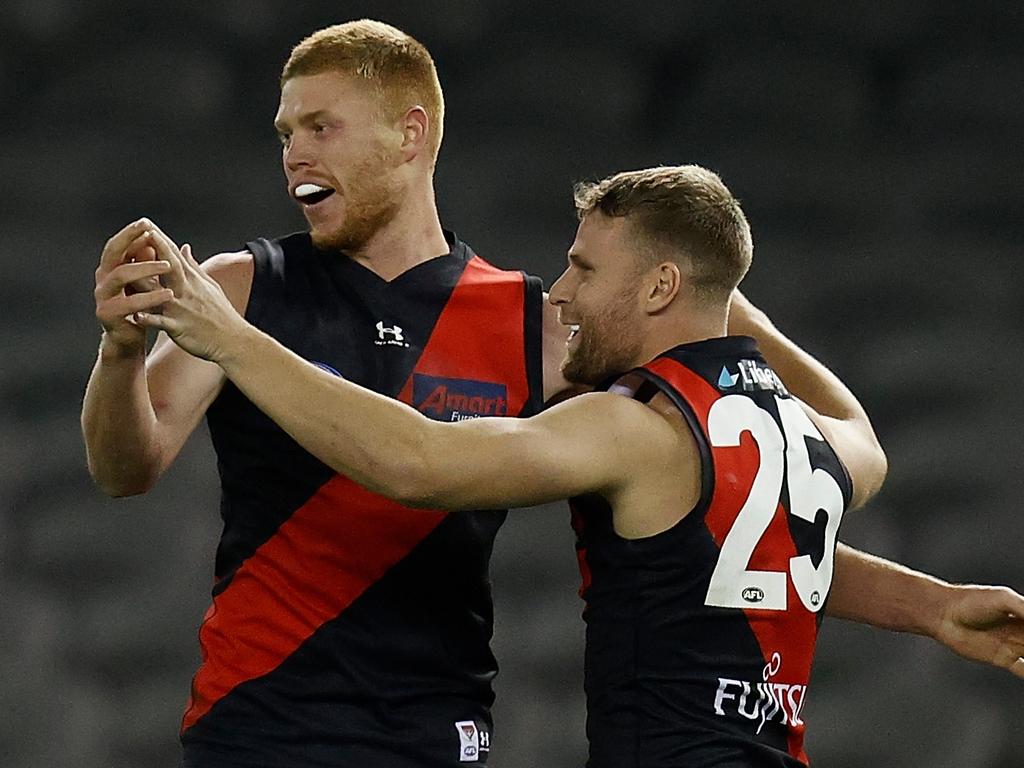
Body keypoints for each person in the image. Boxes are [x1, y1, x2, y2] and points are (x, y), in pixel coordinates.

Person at [82, 19, 1024, 768]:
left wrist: (226, 340)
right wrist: (121, 360)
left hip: (438, 728)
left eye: (319, 126)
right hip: (259, 715)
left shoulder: (538, 329)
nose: (293, 153)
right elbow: (127, 469)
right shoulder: (248, 285)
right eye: (284, 131)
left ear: (411, 134)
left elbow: (716, 516)